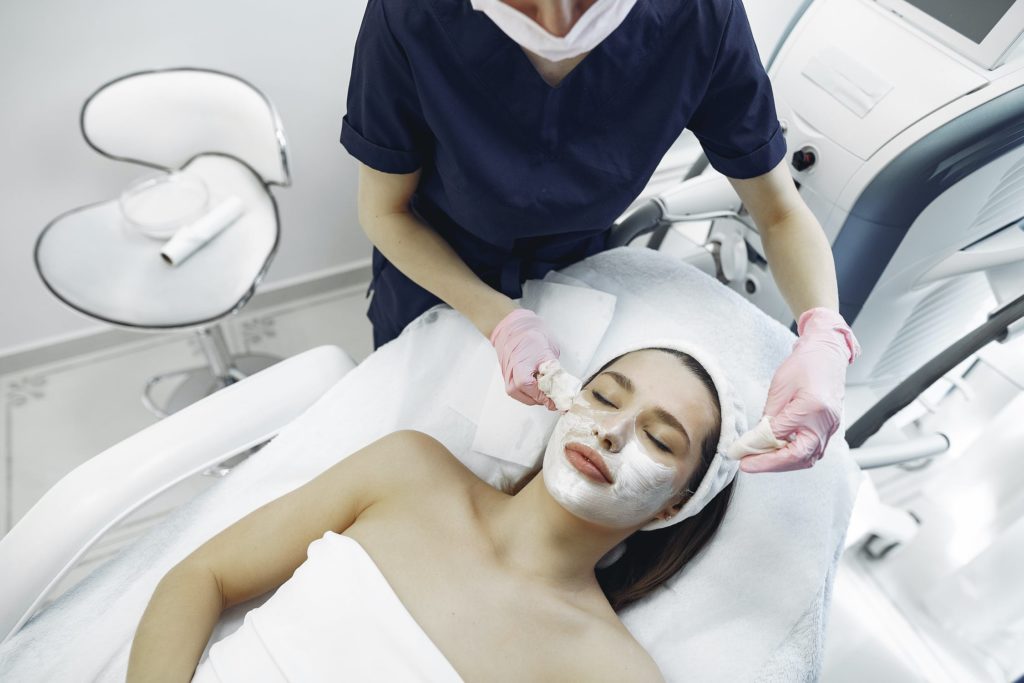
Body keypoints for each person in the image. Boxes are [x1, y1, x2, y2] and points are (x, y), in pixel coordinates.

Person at [341, 0, 861, 475]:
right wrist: (499, 321)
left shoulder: (699, 17)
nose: (558, 20)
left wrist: (824, 337)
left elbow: (779, 213)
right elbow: (386, 212)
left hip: (578, 275)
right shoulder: (411, 14)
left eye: (659, 440)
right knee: (408, 441)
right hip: (433, 272)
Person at [126, 346, 736, 682]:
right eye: (604, 396)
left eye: (659, 439)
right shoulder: (407, 471)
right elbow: (200, 578)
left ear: (673, 507)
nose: (611, 432)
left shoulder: (611, 672)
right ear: (564, 406)